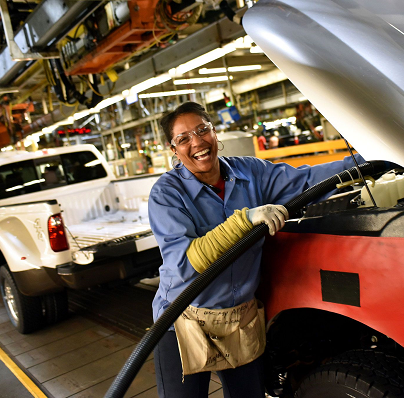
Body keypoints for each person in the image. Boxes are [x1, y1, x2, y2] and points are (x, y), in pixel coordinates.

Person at [147, 102, 365, 398]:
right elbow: (187, 262)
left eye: (202, 130)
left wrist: (370, 160)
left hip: (238, 318)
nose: (197, 142)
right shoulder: (166, 193)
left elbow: (308, 180)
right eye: (184, 138)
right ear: (173, 149)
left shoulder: (250, 172)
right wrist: (246, 219)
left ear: (214, 132)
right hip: (183, 319)